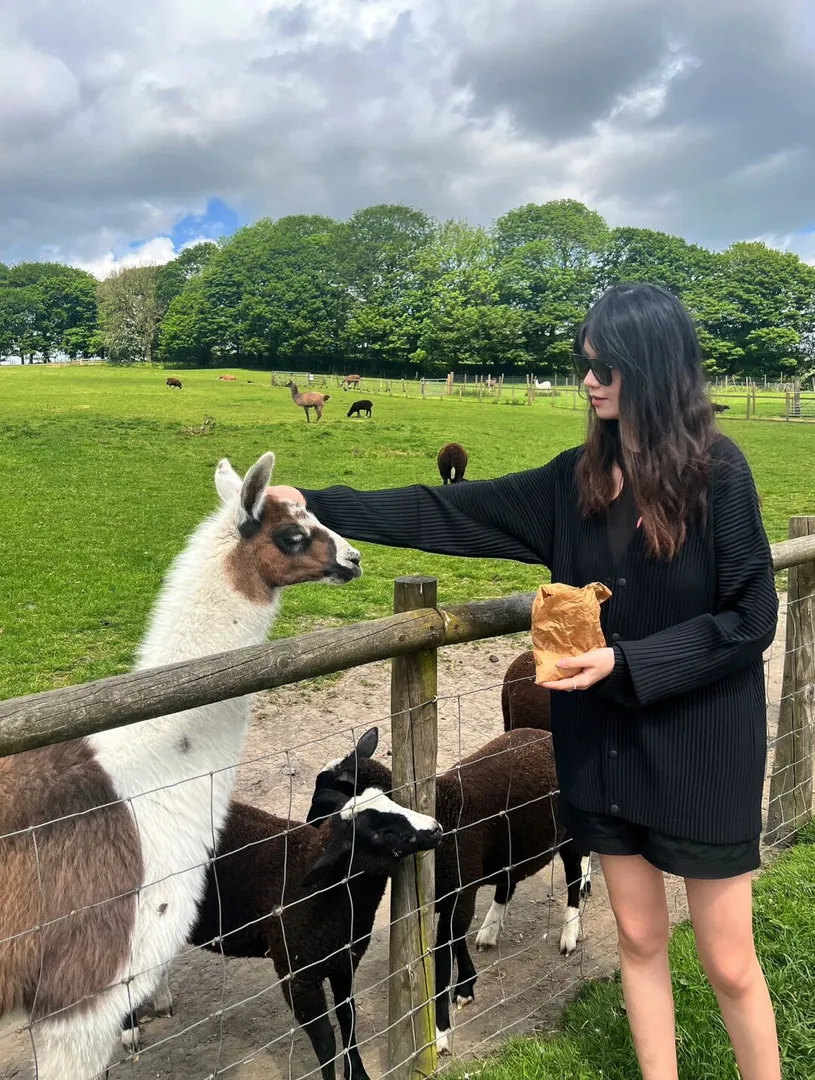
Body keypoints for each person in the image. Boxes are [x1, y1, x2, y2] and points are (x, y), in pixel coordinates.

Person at [269, 283, 780, 1080]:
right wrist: (320, 503)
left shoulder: (718, 471)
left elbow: (750, 618)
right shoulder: (569, 483)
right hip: (599, 751)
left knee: (728, 962)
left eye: (606, 364)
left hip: (701, 748)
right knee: (639, 940)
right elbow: (445, 511)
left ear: (654, 364)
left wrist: (628, 661)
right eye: (585, 364)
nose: (588, 380)